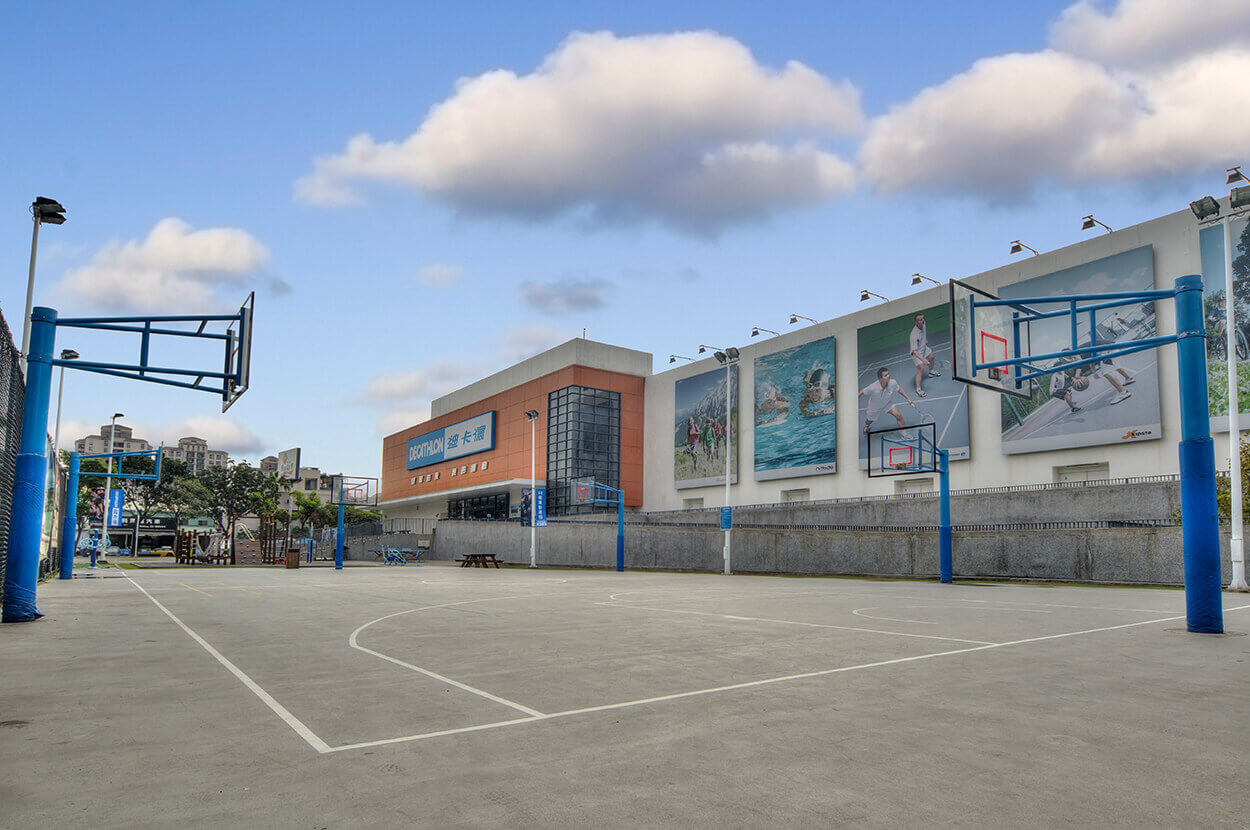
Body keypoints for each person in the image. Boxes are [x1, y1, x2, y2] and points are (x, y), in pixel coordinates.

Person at [859, 367, 915, 434]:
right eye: (885, 375)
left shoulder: (893, 382)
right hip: (874, 406)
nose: (888, 376)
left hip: (887, 403)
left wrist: (908, 398)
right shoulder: (873, 387)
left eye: (888, 374)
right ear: (880, 378)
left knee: (898, 415)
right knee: (869, 420)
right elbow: (862, 392)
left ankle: (904, 434)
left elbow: (899, 389)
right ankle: (866, 426)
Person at [909, 312, 940, 397]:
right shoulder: (914, 335)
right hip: (916, 353)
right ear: (916, 322)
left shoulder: (924, 324)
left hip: (923, 347)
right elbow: (914, 351)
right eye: (920, 320)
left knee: (932, 357)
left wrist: (925, 340)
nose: (922, 321)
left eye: (923, 319)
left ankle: (931, 372)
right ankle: (918, 389)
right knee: (921, 369)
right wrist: (923, 360)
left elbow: (923, 334)